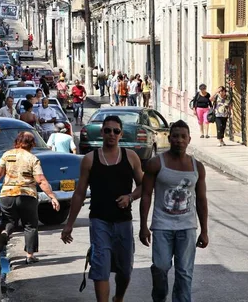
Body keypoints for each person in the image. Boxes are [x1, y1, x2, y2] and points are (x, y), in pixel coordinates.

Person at [61, 116, 143, 302]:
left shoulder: (131, 157)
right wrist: (69, 224)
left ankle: (119, 298)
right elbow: (80, 193)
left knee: (125, 270)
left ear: (121, 134)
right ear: (102, 133)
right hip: (99, 222)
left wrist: (129, 197)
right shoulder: (90, 159)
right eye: (108, 130)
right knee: (100, 268)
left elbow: (143, 186)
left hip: (123, 222)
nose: (111, 134)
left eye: (116, 131)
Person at [139, 120, 209, 302]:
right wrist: (143, 226)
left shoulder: (197, 167)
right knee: (160, 267)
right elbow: (146, 195)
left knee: (185, 273)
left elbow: (201, 201)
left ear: (189, 139)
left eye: (183, 137)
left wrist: (204, 231)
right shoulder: (156, 164)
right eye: (175, 136)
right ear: (169, 138)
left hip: (187, 228)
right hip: (162, 226)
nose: (179, 140)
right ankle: (159, 297)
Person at [0, 132, 60, 262]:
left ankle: (5, 233)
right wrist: (52, 197)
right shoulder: (32, 159)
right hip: (27, 195)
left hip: (7, 194)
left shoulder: (6, 155)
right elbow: (40, 180)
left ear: (17, 141)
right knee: (30, 225)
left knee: (9, 221)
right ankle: (30, 255)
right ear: (32, 144)